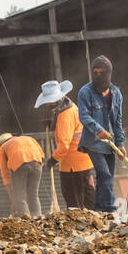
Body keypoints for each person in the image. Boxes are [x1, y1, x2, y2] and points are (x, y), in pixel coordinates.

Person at [35, 79, 94, 209]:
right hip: (82, 160)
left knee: (73, 198)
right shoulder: (71, 106)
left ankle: (80, 226)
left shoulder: (64, 116)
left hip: (72, 165)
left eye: (49, 101)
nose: (48, 104)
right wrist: (53, 124)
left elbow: (64, 145)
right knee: (87, 196)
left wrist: (53, 159)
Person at [77, 56, 125, 213]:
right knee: (104, 173)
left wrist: (120, 144)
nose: (98, 76)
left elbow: (118, 122)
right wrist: (99, 130)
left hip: (110, 145)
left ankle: (99, 209)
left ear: (108, 73)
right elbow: (84, 116)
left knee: (108, 177)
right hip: (93, 142)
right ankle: (110, 208)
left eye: (101, 73)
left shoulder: (117, 94)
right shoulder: (85, 92)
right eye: (95, 72)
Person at [0, 132, 46, 217]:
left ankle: (25, 221)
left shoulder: (2, 148)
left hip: (19, 166)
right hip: (37, 164)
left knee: (20, 198)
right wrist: (35, 168)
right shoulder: (29, 138)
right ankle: (37, 218)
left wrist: (13, 201)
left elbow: (5, 173)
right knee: (33, 195)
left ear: (0, 144)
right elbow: (42, 156)